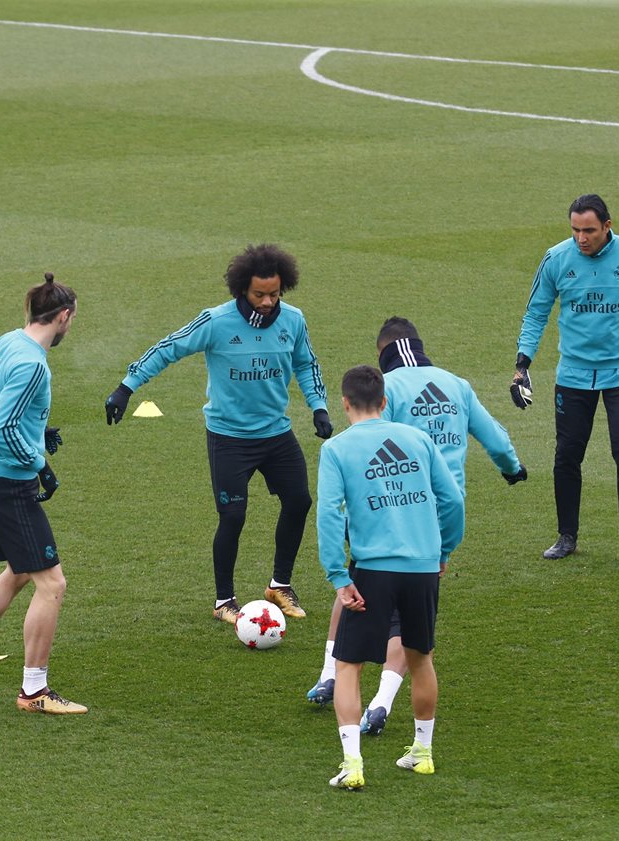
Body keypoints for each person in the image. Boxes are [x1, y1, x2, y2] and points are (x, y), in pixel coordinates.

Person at [307, 317, 527, 736]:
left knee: (356, 587)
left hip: (384, 508)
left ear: (382, 353)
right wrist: (512, 468)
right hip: (435, 523)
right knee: (411, 624)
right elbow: (492, 436)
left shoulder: (391, 389)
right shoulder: (456, 384)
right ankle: (383, 701)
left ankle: (330, 674)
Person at [105, 244, 332, 624]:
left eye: (274, 294)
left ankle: (280, 584)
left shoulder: (293, 321)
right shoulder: (215, 321)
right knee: (233, 516)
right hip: (229, 437)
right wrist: (126, 387)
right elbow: (167, 349)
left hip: (276, 434)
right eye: (259, 294)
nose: (267, 302)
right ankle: (224, 601)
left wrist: (319, 406)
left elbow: (306, 364)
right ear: (242, 288)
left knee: (299, 502)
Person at [0, 273, 87, 715]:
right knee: (52, 583)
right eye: (72, 320)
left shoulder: (7, 342)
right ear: (63, 316)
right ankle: (35, 692)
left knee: (21, 572)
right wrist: (40, 461)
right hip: (9, 484)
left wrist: (35, 429)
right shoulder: (32, 364)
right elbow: (3, 425)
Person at [513, 194, 619, 568]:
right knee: (567, 455)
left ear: (607, 225)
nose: (581, 238)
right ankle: (566, 536)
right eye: (574, 230)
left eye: (588, 230)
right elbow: (535, 313)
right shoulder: (556, 259)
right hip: (572, 375)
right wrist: (522, 364)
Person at [318, 365, 464, 790]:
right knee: (420, 659)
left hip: (373, 571)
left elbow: (329, 515)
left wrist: (336, 576)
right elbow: (451, 498)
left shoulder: (337, 449)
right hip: (421, 569)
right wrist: (444, 550)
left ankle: (353, 763)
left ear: (345, 403)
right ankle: (422, 753)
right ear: (385, 402)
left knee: (347, 665)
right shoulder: (417, 439)